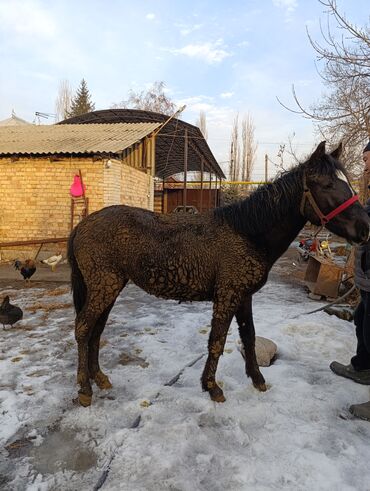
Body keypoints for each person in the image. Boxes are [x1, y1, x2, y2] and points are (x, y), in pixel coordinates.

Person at [330, 141, 370, 421]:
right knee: (362, 322)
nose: (366, 166)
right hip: (367, 279)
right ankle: (362, 367)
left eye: (369, 161)